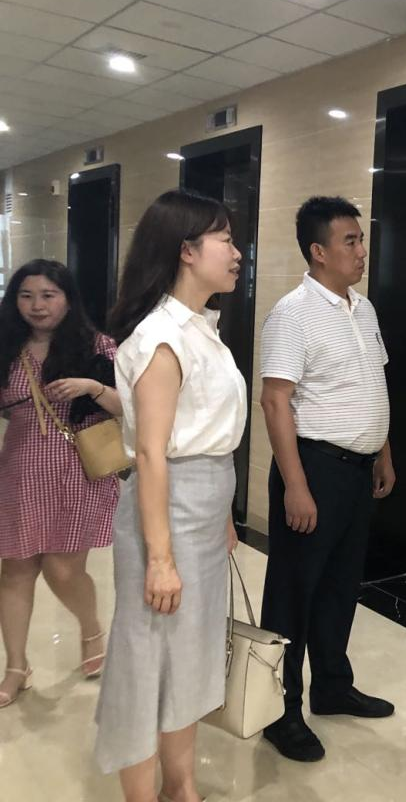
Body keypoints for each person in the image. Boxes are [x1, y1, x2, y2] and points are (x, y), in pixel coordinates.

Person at [94, 190, 246, 802]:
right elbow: (154, 454)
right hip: (168, 513)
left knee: (189, 654)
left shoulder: (200, 328)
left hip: (201, 509)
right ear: (187, 250)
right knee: (146, 659)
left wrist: (222, 515)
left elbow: (207, 438)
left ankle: (180, 788)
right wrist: (160, 558)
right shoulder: (162, 337)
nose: (237, 252)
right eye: (226, 240)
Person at [259, 195, 396, 763]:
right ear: (318, 251)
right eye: (350, 241)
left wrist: (383, 452)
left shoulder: (363, 309)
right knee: (293, 592)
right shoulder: (292, 313)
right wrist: (295, 485)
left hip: (357, 472)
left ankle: (333, 686)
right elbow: (275, 401)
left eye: (361, 240)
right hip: (313, 469)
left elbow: (371, 383)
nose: (362, 251)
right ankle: (279, 711)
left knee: (341, 586)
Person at [0, 260, 123, 708]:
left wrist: (92, 387)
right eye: (26, 295)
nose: (37, 305)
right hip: (19, 471)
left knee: (63, 569)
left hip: (76, 471)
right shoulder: (7, 346)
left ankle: (90, 628)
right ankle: (16, 666)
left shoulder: (98, 346)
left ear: (68, 300)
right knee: (15, 570)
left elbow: (128, 407)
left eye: (48, 295)